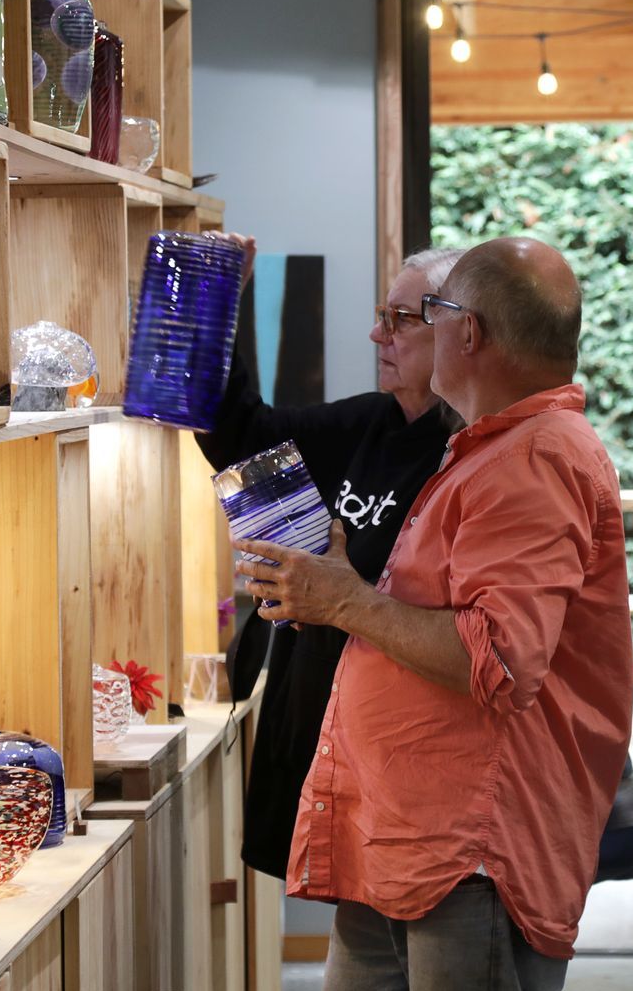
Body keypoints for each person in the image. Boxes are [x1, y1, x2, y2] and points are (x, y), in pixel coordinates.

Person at [234, 236, 633, 991]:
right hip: (407, 833)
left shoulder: (534, 460)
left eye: (427, 313)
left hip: (470, 849)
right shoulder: (487, 449)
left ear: (471, 335)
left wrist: (343, 601)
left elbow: (498, 662)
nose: (392, 332)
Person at [196, 238, 466, 879]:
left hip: (415, 771)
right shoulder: (369, 424)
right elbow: (239, 437)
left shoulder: (474, 456)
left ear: (462, 333)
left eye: (402, 320)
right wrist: (217, 303)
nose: (378, 334)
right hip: (324, 737)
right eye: (383, 314)